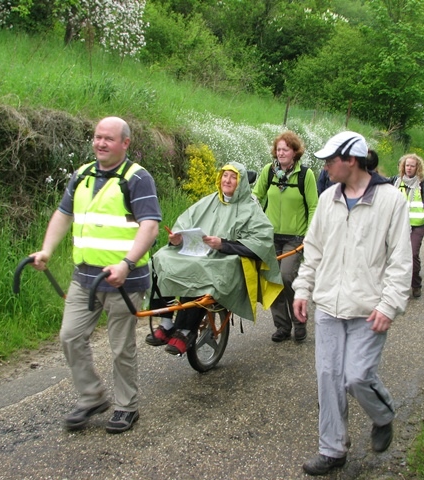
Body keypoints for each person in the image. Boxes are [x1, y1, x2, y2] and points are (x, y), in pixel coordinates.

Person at [30, 117, 161, 433]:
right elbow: (63, 215)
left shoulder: (137, 178)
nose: (100, 143)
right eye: (97, 137)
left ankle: (126, 406)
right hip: (84, 277)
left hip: (123, 279)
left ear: (125, 144)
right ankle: (92, 397)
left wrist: (126, 264)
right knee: (70, 336)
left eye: (108, 139)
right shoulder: (82, 175)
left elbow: (150, 225)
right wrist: (46, 250)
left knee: (120, 347)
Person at [292, 131, 412, 476]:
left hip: (369, 309)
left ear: (352, 160)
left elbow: (401, 261)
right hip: (329, 306)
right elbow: (312, 251)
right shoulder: (329, 199)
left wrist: (389, 305)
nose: (326, 166)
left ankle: (383, 415)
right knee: (328, 378)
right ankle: (332, 450)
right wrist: (303, 290)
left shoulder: (390, 201)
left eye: (331, 160)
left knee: (357, 376)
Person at [149, 162, 283, 354]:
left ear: (242, 182)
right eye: (224, 175)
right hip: (199, 252)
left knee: (201, 271)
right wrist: (177, 239)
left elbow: (261, 243)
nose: (227, 180)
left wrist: (223, 244)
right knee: (160, 258)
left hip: (227, 258)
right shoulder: (208, 201)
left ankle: (187, 330)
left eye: (233, 177)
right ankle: (166, 322)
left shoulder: (250, 207)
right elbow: (185, 223)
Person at [253, 131, 318, 343]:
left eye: (285, 149)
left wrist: (310, 234)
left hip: (295, 237)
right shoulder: (269, 171)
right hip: (269, 236)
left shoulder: (304, 175)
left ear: (294, 152)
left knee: (287, 276)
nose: (281, 153)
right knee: (272, 279)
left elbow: (314, 205)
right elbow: (256, 195)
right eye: (278, 149)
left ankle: (299, 321)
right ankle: (282, 326)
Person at [390, 153, 424, 298]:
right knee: (396, 257)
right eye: (407, 165)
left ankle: (415, 284)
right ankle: (397, 286)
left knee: (413, 255)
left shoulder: (423, 185)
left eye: (412, 166)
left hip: (417, 225)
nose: (409, 168)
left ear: (417, 168)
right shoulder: (396, 181)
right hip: (399, 225)